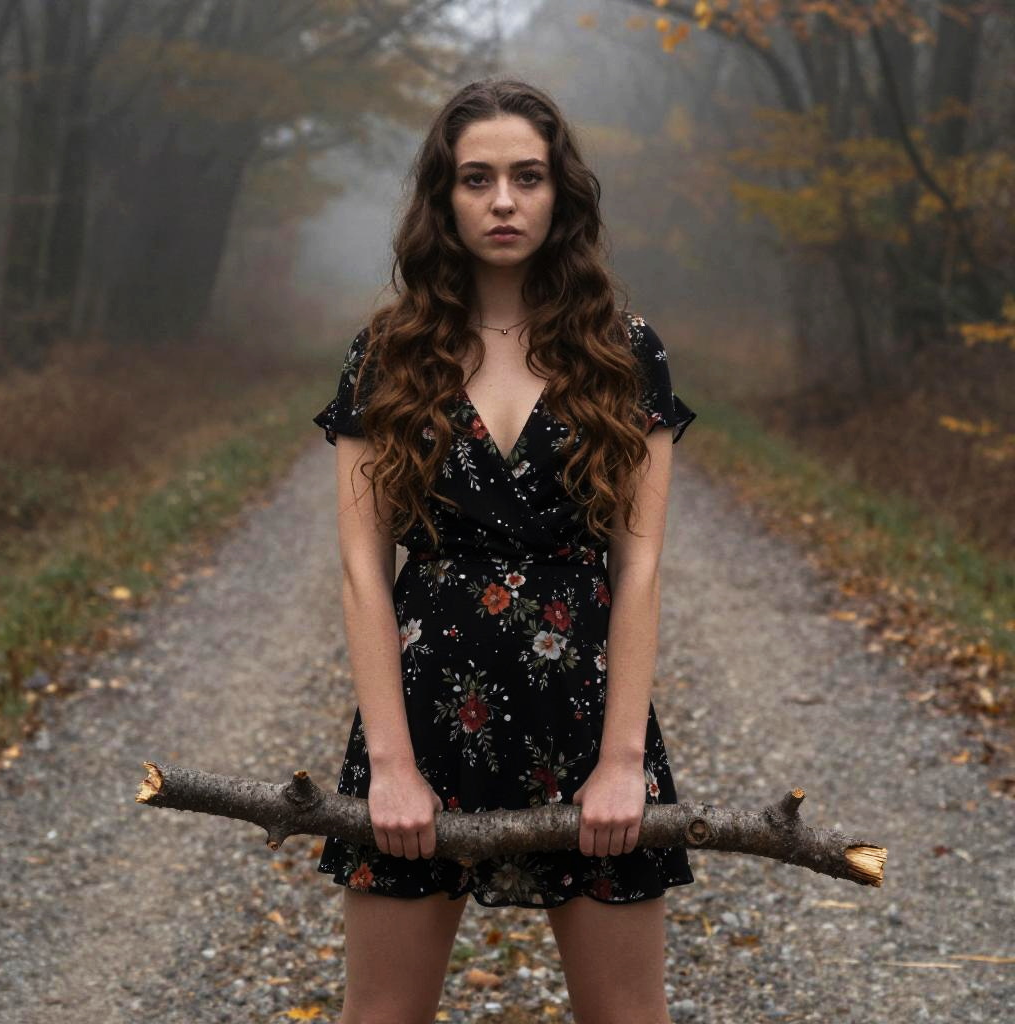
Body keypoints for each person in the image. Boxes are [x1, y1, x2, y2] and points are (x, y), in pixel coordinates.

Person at [313, 78, 698, 1024]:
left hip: (586, 722)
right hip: (423, 722)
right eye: (476, 178)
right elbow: (364, 569)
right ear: (443, 199)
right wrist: (394, 767)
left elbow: (639, 565)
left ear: (560, 192)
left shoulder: (624, 352)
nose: (502, 201)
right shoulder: (387, 354)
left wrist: (620, 761)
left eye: (526, 177)